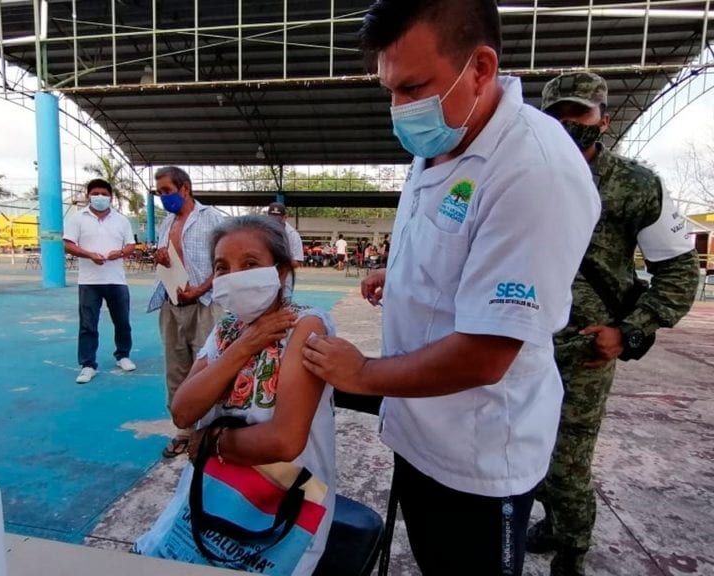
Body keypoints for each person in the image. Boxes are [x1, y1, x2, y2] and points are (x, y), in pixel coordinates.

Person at [301, 1, 601, 574]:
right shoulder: (445, 135)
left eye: (413, 87)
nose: (400, 108)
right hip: (420, 429)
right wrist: (405, 272)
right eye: (390, 89)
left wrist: (361, 374)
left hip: (478, 457)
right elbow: (457, 241)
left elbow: (486, 355)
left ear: (481, 67)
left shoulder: (534, 172)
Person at [526, 72, 700, 575]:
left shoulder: (635, 184)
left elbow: (679, 271)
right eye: (555, 115)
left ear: (605, 120)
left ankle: (571, 551)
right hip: (519, 340)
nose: (566, 125)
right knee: (520, 451)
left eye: (578, 115)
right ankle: (553, 522)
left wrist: (629, 332)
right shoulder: (523, 174)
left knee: (568, 463)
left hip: (585, 349)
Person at [171, 215, 336, 575]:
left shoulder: (305, 325)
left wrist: (207, 442)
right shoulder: (227, 329)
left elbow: (284, 441)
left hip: (282, 505)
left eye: (249, 264)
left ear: (279, 272)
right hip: (215, 492)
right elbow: (182, 411)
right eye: (222, 268)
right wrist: (245, 346)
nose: (234, 276)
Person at [147, 166, 223, 458]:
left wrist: (200, 290)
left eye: (167, 191)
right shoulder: (166, 223)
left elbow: (224, 264)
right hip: (171, 305)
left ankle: (211, 430)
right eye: (159, 193)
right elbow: (167, 259)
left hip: (204, 305)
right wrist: (160, 257)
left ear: (185, 189)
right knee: (176, 368)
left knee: (208, 368)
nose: (163, 198)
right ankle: (183, 430)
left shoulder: (212, 219)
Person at [64, 178, 136, 384]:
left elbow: (131, 245)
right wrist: (89, 255)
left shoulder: (121, 220)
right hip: (89, 281)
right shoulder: (78, 219)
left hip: (117, 280)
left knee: (122, 322)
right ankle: (88, 365)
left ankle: (123, 355)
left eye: (104, 194)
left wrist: (120, 252)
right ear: (88, 196)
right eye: (95, 193)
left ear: (110, 197)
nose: (100, 197)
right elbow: (68, 245)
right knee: (88, 324)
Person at [266, 201, 304, 268]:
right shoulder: (263, 231)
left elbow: (297, 262)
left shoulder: (293, 235)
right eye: (271, 219)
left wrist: (279, 261)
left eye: (277, 220)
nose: (274, 222)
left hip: (284, 275)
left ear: (285, 218)